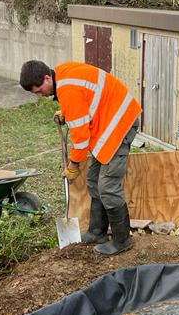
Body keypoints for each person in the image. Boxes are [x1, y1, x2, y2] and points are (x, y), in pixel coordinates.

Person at [20, 59, 141, 255]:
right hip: (107, 121)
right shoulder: (62, 74)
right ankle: (97, 232)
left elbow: (81, 138)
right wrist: (67, 112)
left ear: (47, 78)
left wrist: (74, 164)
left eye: (39, 90)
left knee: (107, 186)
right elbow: (84, 97)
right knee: (93, 180)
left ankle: (122, 240)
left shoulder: (67, 91)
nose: (40, 95)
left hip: (120, 122)